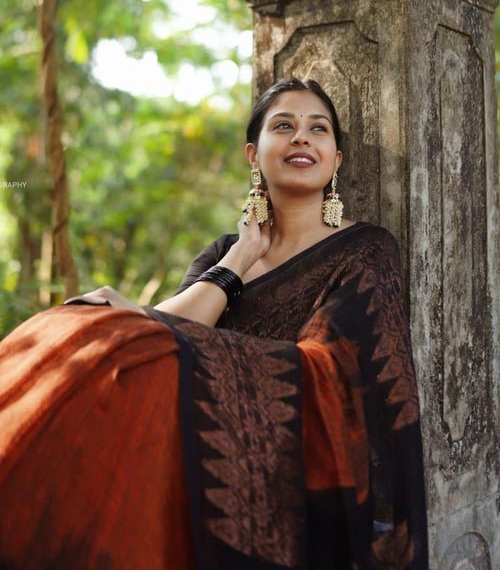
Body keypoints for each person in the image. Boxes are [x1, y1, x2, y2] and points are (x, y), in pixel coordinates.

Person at [0, 77, 428, 569]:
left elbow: (334, 371)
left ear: (336, 160)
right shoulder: (226, 252)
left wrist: (142, 317)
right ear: (254, 154)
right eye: (283, 126)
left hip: (291, 454)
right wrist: (241, 257)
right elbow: (161, 332)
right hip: (189, 427)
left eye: (318, 129)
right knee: (82, 325)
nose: (301, 138)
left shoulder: (365, 249)